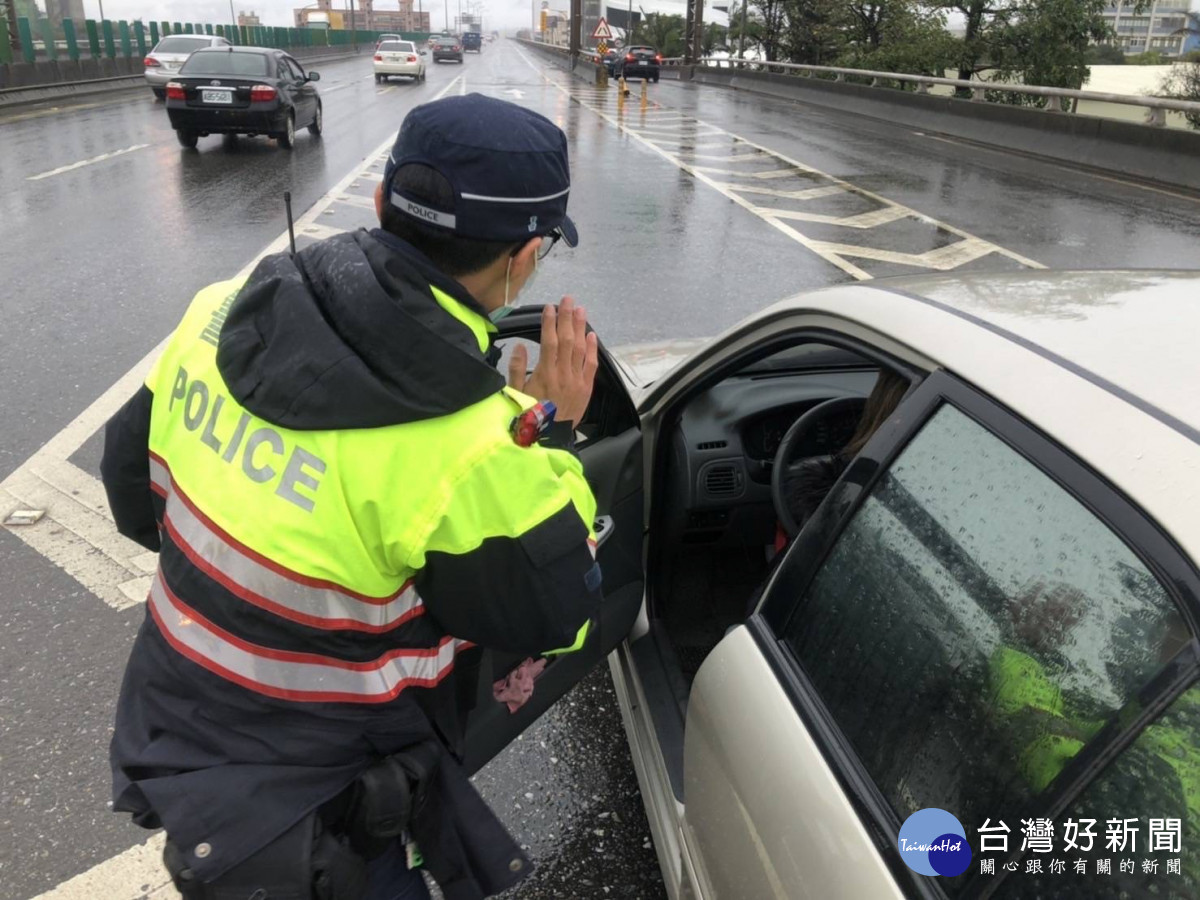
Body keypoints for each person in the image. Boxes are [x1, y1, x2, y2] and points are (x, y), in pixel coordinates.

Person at [101, 94, 603, 900]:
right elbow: (555, 611)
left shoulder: (219, 310)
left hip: (177, 730)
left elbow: (134, 496)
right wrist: (545, 426)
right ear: (525, 256)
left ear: (379, 201)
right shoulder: (472, 446)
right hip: (322, 812)